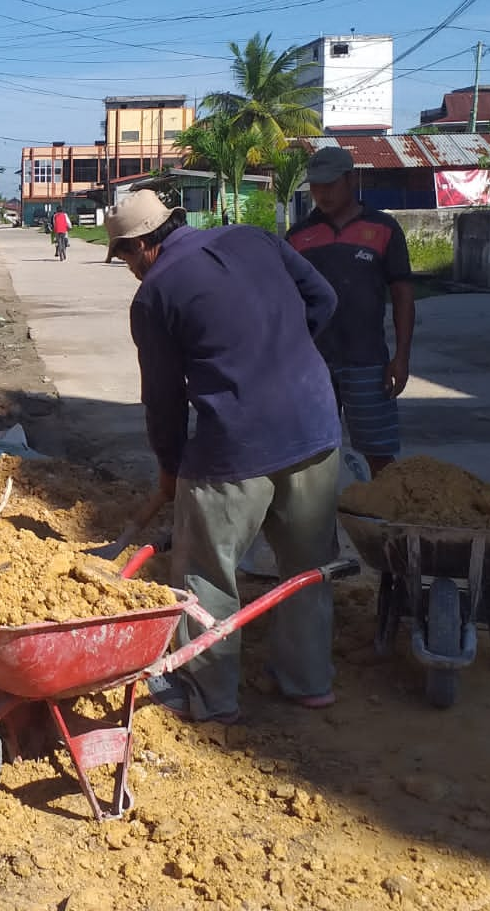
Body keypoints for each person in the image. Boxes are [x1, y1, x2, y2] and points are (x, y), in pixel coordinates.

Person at [105, 189, 341, 724]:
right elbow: (324, 301)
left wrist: (169, 466)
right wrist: (282, 358)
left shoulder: (156, 294)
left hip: (235, 447)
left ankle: (209, 694)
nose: (127, 268)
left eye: (122, 256)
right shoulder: (255, 238)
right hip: (315, 426)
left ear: (142, 245)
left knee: (207, 573)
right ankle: (308, 681)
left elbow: (162, 398)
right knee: (308, 565)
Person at [287, 146, 415, 478]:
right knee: (310, 460)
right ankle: (317, 531)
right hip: (312, 366)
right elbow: (283, 303)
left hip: (368, 363)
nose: (322, 193)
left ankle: (385, 527)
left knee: (380, 454)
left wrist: (401, 358)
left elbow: (402, 295)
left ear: (350, 179)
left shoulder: (384, 229)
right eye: (315, 186)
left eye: (329, 184)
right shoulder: (297, 237)